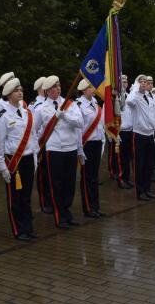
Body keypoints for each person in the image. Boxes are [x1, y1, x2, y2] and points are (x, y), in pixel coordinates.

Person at [33, 75, 85, 228]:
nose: (57, 89)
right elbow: (35, 131)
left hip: (70, 148)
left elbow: (80, 123)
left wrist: (65, 116)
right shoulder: (41, 109)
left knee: (70, 183)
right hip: (54, 149)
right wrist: (36, 150)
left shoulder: (70, 105)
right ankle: (59, 216)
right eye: (53, 87)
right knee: (56, 183)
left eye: (58, 86)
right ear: (47, 91)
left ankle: (67, 212)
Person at [0, 75, 39, 241]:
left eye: (20, 90)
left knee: (27, 196)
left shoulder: (27, 113)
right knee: (15, 197)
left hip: (27, 158)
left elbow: (33, 137)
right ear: (8, 93)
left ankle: (28, 228)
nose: (20, 92)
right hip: (12, 160)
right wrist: (2, 166)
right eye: (16, 90)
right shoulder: (3, 115)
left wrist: (34, 158)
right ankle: (18, 230)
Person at [76, 79, 106, 218]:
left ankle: (96, 206)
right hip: (86, 144)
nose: (92, 88)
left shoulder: (95, 102)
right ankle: (88, 208)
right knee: (87, 177)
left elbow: (100, 125)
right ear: (83, 89)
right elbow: (78, 129)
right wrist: (79, 148)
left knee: (94, 177)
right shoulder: (79, 105)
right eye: (90, 87)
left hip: (97, 142)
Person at [126, 75, 155, 201]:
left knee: (149, 165)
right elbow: (128, 102)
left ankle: (147, 189)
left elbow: (152, 114)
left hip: (149, 134)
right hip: (139, 134)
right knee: (139, 164)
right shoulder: (134, 97)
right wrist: (135, 88)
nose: (144, 84)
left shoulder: (149, 96)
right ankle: (140, 192)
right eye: (141, 82)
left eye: (145, 81)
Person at [30, 76, 53, 215]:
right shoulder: (34, 105)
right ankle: (45, 202)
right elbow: (33, 127)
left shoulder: (50, 102)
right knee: (43, 173)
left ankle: (52, 199)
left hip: (53, 142)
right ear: (41, 88)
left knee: (52, 173)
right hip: (41, 142)